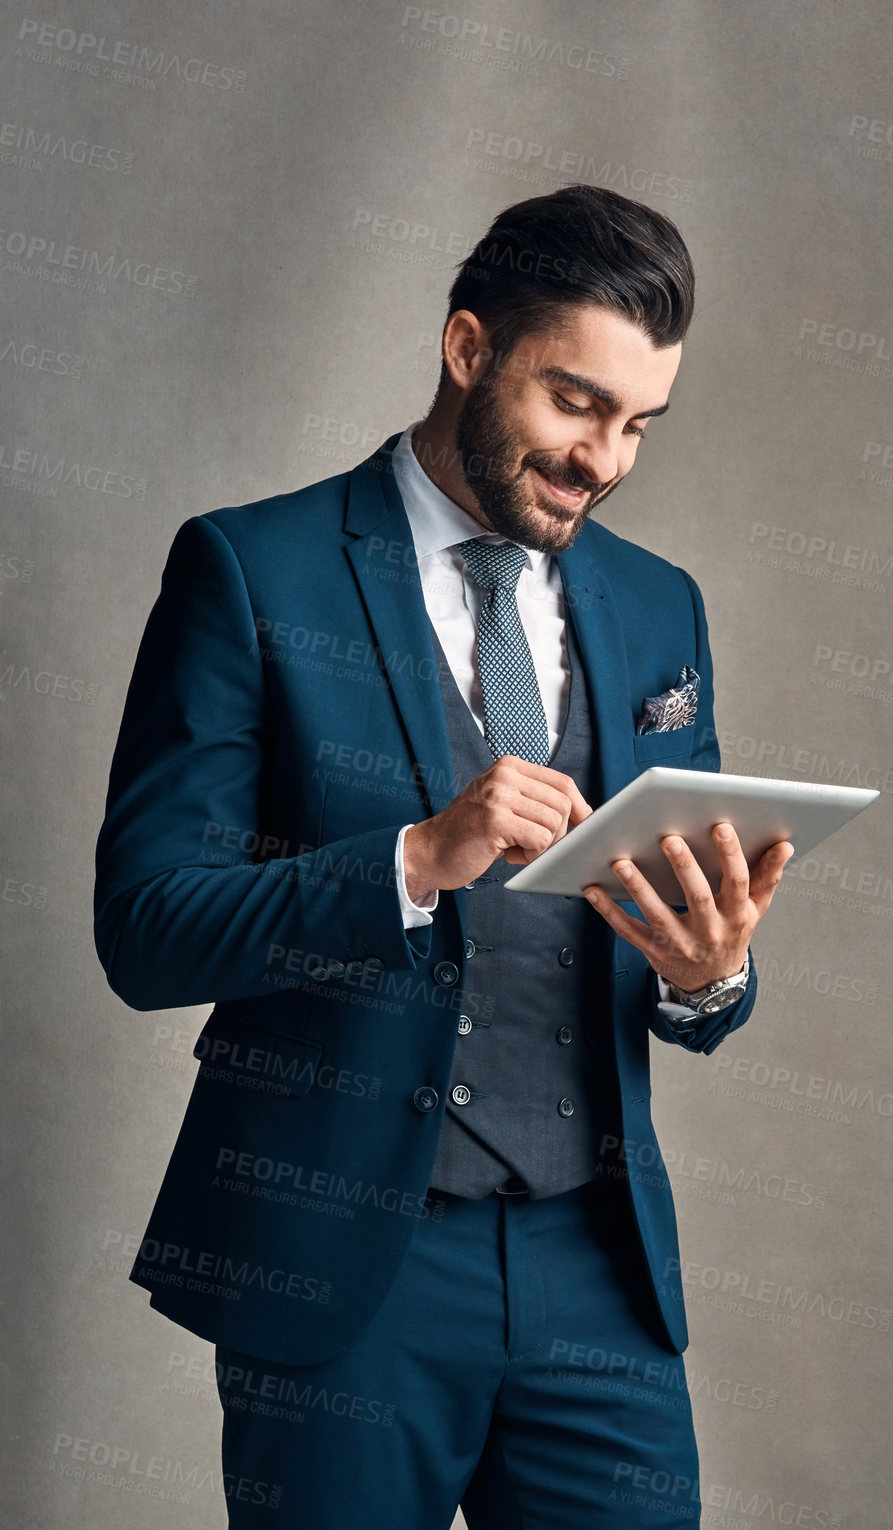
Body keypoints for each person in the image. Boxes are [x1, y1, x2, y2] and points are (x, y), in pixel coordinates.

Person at [94, 183, 793, 1528]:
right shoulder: (253, 571)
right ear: (467, 349)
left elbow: (680, 939)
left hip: (597, 1262)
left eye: (640, 424)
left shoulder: (658, 606)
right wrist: (412, 858)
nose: (605, 459)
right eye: (575, 403)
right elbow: (148, 927)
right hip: (347, 1259)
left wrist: (710, 975)